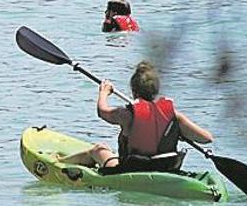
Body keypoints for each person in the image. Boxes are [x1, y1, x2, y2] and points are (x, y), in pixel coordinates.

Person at [60, 61, 213, 173]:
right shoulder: (175, 117)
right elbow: (206, 138)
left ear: (133, 91)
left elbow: (102, 111)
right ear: (156, 91)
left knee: (99, 149)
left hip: (129, 171)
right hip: (165, 169)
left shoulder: (127, 115)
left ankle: (59, 162)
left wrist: (103, 92)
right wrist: (176, 132)